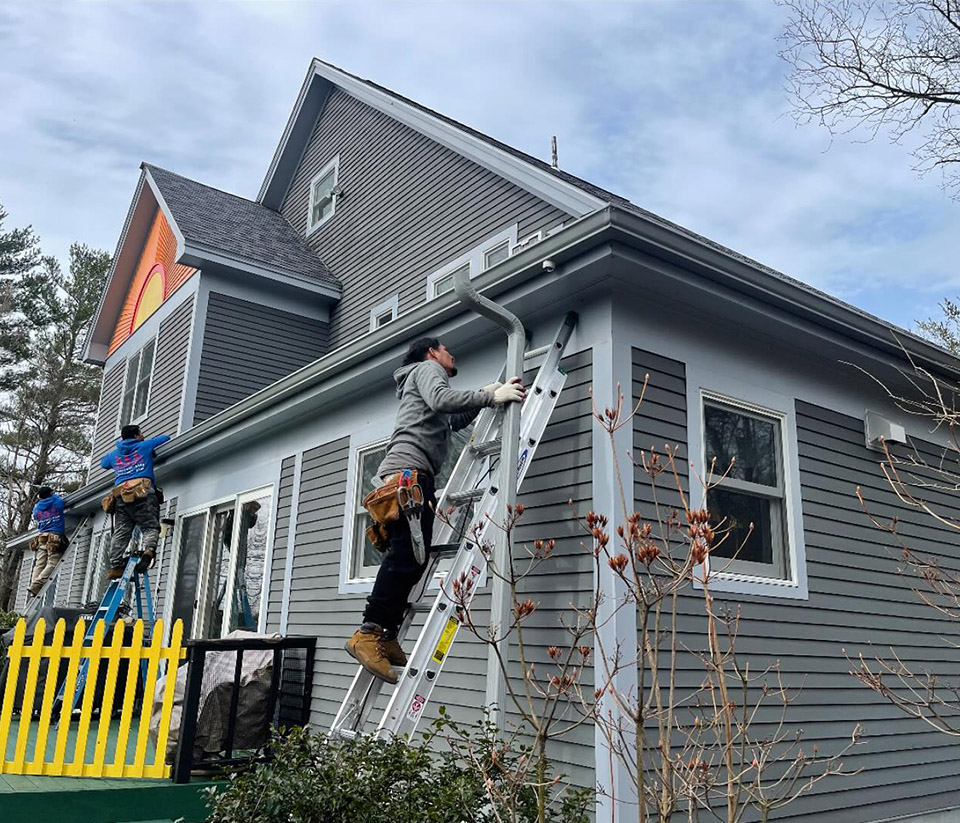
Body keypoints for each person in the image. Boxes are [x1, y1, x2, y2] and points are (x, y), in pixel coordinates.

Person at [345, 337, 525, 683]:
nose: (451, 354)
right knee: (403, 558)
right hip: (408, 475)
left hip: (414, 477)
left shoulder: (421, 385)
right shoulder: (428, 370)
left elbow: (451, 419)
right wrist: (491, 395)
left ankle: (387, 635)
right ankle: (368, 633)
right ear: (431, 353)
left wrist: (487, 396)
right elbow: (443, 400)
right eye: (446, 349)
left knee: (415, 558)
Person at [100, 424, 170, 580]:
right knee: (150, 526)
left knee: (121, 531)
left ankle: (116, 565)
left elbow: (103, 463)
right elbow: (166, 438)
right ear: (136, 435)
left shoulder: (115, 454)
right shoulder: (144, 445)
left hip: (122, 496)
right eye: (141, 433)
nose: (143, 435)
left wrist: (121, 459)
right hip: (143, 492)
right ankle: (148, 551)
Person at [28, 486, 67, 596]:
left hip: (42, 536)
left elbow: (36, 517)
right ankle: (36, 584)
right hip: (54, 536)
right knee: (53, 562)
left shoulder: (37, 508)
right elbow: (59, 499)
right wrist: (52, 494)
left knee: (39, 564)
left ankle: (33, 587)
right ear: (51, 493)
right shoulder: (57, 502)